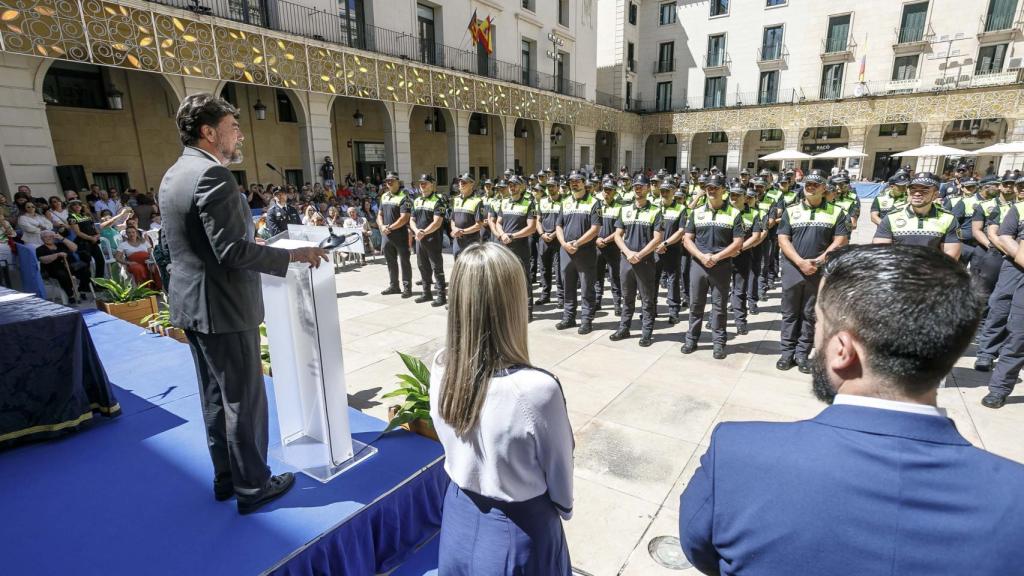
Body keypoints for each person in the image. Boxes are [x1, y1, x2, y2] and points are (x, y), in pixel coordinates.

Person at [678, 244, 1024, 576]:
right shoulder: (1014, 499)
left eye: (819, 325)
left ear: (842, 351)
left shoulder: (738, 454)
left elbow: (701, 551)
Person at [159, 93, 327, 513]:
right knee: (244, 401)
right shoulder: (213, 177)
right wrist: (292, 255)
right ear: (209, 132)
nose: (240, 134)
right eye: (233, 127)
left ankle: (227, 478)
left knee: (216, 398)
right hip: (224, 307)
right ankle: (253, 486)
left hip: (193, 304)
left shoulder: (176, 172)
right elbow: (231, 251)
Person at [430, 242, 573, 575]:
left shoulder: (441, 366)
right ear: (513, 305)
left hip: (457, 511)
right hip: (520, 527)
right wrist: (562, 510)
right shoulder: (537, 389)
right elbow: (560, 479)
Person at [776, 169, 849, 372]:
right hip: (793, 267)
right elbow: (783, 239)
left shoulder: (836, 212)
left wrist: (819, 260)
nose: (810, 187)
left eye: (816, 184)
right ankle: (786, 353)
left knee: (809, 313)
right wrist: (800, 262)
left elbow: (840, 240)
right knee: (790, 312)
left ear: (824, 188)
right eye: (808, 184)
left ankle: (802, 354)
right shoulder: (791, 211)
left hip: (819, 270)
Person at [681, 175, 744, 359]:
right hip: (698, 265)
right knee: (695, 304)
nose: (711, 190)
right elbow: (687, 239)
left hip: (721, 265)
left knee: (719, 307)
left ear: (724, 190)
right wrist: (701, 256)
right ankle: (691, 339)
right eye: (708, 187)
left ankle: (718, 343)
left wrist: (716, 257)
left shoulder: (734, 213)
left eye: (715, 187)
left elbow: (738, 242)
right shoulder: (696, 212)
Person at [610, 177, 664, 346]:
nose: (638, 189)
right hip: (626, 260)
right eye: (635, 186)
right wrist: (627, 252)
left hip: (645, 261)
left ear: (647, 188)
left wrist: (639, 255)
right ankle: (624, 328)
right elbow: (618, 235)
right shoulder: (625, 209)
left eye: (641, 186)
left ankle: (646, 332)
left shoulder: (655, 211)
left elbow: (658, 238)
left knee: (647, 299)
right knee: (627, 297)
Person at [982, 196, 1024, 407]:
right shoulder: (1019, 208)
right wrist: (1019, 256)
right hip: (1018, 265)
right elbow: (1005, 236)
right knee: (1017, 335)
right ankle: (999, 388)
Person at [873, 172, 960, 261]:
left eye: (924, 190)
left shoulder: (948, 219)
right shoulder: (891, 217)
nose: (917, 194)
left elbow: (951, 256)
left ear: (935, 195)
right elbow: (880, 253)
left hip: (932, 272)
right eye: (913, 190)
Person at [555, 170, 602, 334]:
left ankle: (586, 320)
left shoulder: (594, 202)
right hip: (566, 251)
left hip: (585, 251)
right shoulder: (565, 202)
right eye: (571, 181)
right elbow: (558, 226)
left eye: (577, 181)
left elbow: (596, 228)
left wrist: (577, 243)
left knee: (587, 287)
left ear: (584, 183)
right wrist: (563, 243)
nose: (574, 183)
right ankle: (568, 317)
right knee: (567, 285)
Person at [494, 175, 537, 318]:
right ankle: (508, 308)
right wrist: (501, 235)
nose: (512, 187)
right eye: (510, 185)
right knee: (504, 278)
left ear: (521, 187)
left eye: (515, 185)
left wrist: (512, 236)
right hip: (504, 245)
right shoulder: (504, 202)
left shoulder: (529, 203)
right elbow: (498, 222)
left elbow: (531, 228)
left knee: (524, 279)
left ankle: (527, 310)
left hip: (520, 247)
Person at [410, 173, 447, 306]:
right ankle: (426, 293)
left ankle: (441, 296)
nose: (422, 185)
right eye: (421, 183)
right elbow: (412, 219)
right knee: (422, 267)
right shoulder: (417, 200)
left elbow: (437, 223)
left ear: (432, 184)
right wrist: (416, 231)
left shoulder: (438, 201)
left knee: (437, 268)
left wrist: (423, 232)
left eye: (425, 183)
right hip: (420, 240)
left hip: (433, 240)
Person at [376, 171, 414, 297]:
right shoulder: (384, 196)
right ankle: (394, 286)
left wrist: (389, 228)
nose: (389, 182)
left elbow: (405, 218)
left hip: (400, 235)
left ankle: (407, 287)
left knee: (404, 261)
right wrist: (381, 226)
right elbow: (379, 214)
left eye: (392, 180)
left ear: (398, 181)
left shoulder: (404, 197)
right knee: (390, 261)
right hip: (387, 235)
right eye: (387, 181)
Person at [594, 179, 624, 317]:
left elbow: (620, 230)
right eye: (605, 189)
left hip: (612, 246)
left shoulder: (619, 207)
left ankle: (617, 304)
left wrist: (605, 239)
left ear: (615, 192)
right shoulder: (596, 206)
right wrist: (596, 239)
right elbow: (591, 226)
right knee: (597, 276)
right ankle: (597, 301)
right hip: (597, 246)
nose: (607, 192)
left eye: (610, 190)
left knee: (614, 276)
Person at [36, 230, 91, 303]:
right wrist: (57, 255)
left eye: (51, 236)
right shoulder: (40, 249)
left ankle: (82, 290)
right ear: (42, 239)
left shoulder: (60, 244)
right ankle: (70, 295)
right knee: (62, 275)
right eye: (45, 237)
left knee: (85, 268)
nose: (48, 238)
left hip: (70, 265)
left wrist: (62, 238)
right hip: (53, 269)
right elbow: (43, 259)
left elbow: (75, 248)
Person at [536, 180, 564, 307]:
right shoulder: (542, 201)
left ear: (558, 187)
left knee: (559, 270)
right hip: (544, 239)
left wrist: (554, 234)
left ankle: (561, 297)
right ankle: (545, 295)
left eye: (553, 186)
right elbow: (538, 220)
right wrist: (542, 234)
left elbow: (565, 222)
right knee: (544, 269)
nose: (550, 188)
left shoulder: (565, 201)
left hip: (558, 239)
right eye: (548, 186)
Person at [449, 173, 485, 259]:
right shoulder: (456, 199)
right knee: (458, 266)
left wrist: (461, 231)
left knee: (472, 268)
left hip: (471, 242)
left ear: (472, 184)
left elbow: (478, 225)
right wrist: (454, 230)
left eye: (464, 182)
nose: (461, 184)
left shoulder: (477, 201)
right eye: (460, 182)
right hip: (457, 241)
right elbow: (453, 219)